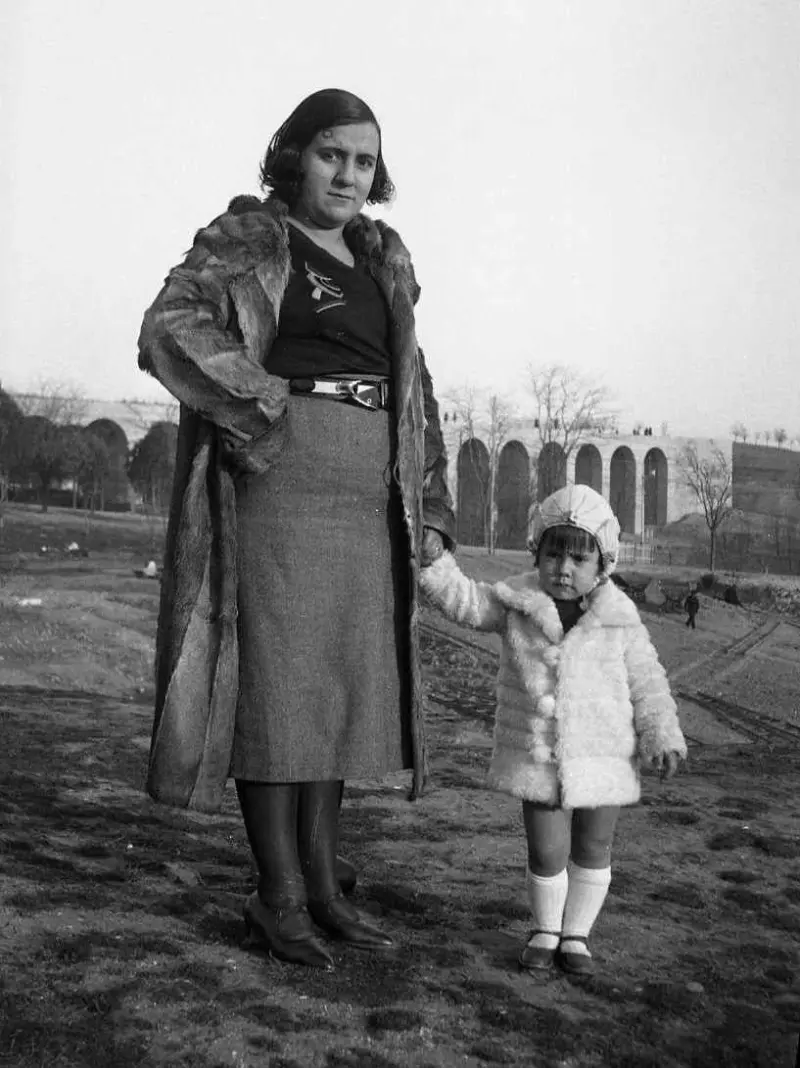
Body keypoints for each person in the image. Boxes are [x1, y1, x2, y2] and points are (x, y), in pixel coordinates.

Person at [137, 88, 455, 971]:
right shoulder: (248, 240)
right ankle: (274, 894)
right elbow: (169, 329)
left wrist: (431, 506)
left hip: (369, 496)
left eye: (362, 161)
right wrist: (263, 406)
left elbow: (416, 386)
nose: (348, 175)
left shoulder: (381, 259)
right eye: (331, 155)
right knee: (278, 691)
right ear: (294, 157)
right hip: (282, 481)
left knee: (339, 689)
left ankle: (322, 888)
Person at [419, 484, 687, 976]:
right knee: (547, 848)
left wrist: (662, 735)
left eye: (578, 559)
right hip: (537, 753)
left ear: (601, 564)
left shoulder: (620, 620)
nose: (563, 568)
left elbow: (648, 682)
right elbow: (465, 601)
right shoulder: (516, 603)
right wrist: (433, 562)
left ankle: (576, 935)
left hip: (605, 754)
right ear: (536, 552)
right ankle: (545, 928)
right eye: (553, 554)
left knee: (593, 847)